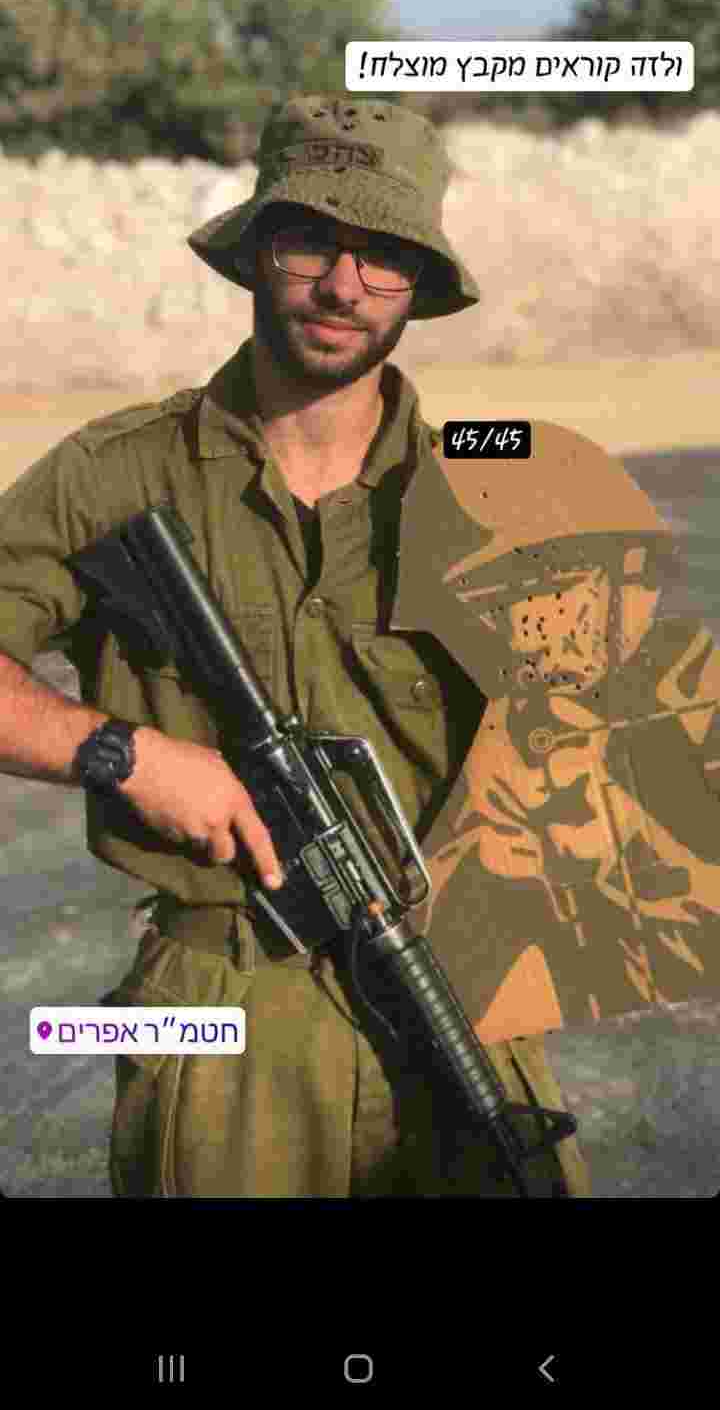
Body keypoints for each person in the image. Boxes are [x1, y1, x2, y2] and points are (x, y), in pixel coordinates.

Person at [0, 93, 593, 1198]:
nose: (343, 285)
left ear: (420, 285)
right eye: (310, 241)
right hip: (226, 1005)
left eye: (384, 256)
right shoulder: (113, 471)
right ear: (256, 252)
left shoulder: (487, 493)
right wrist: (130, 755)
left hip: (456, 990)